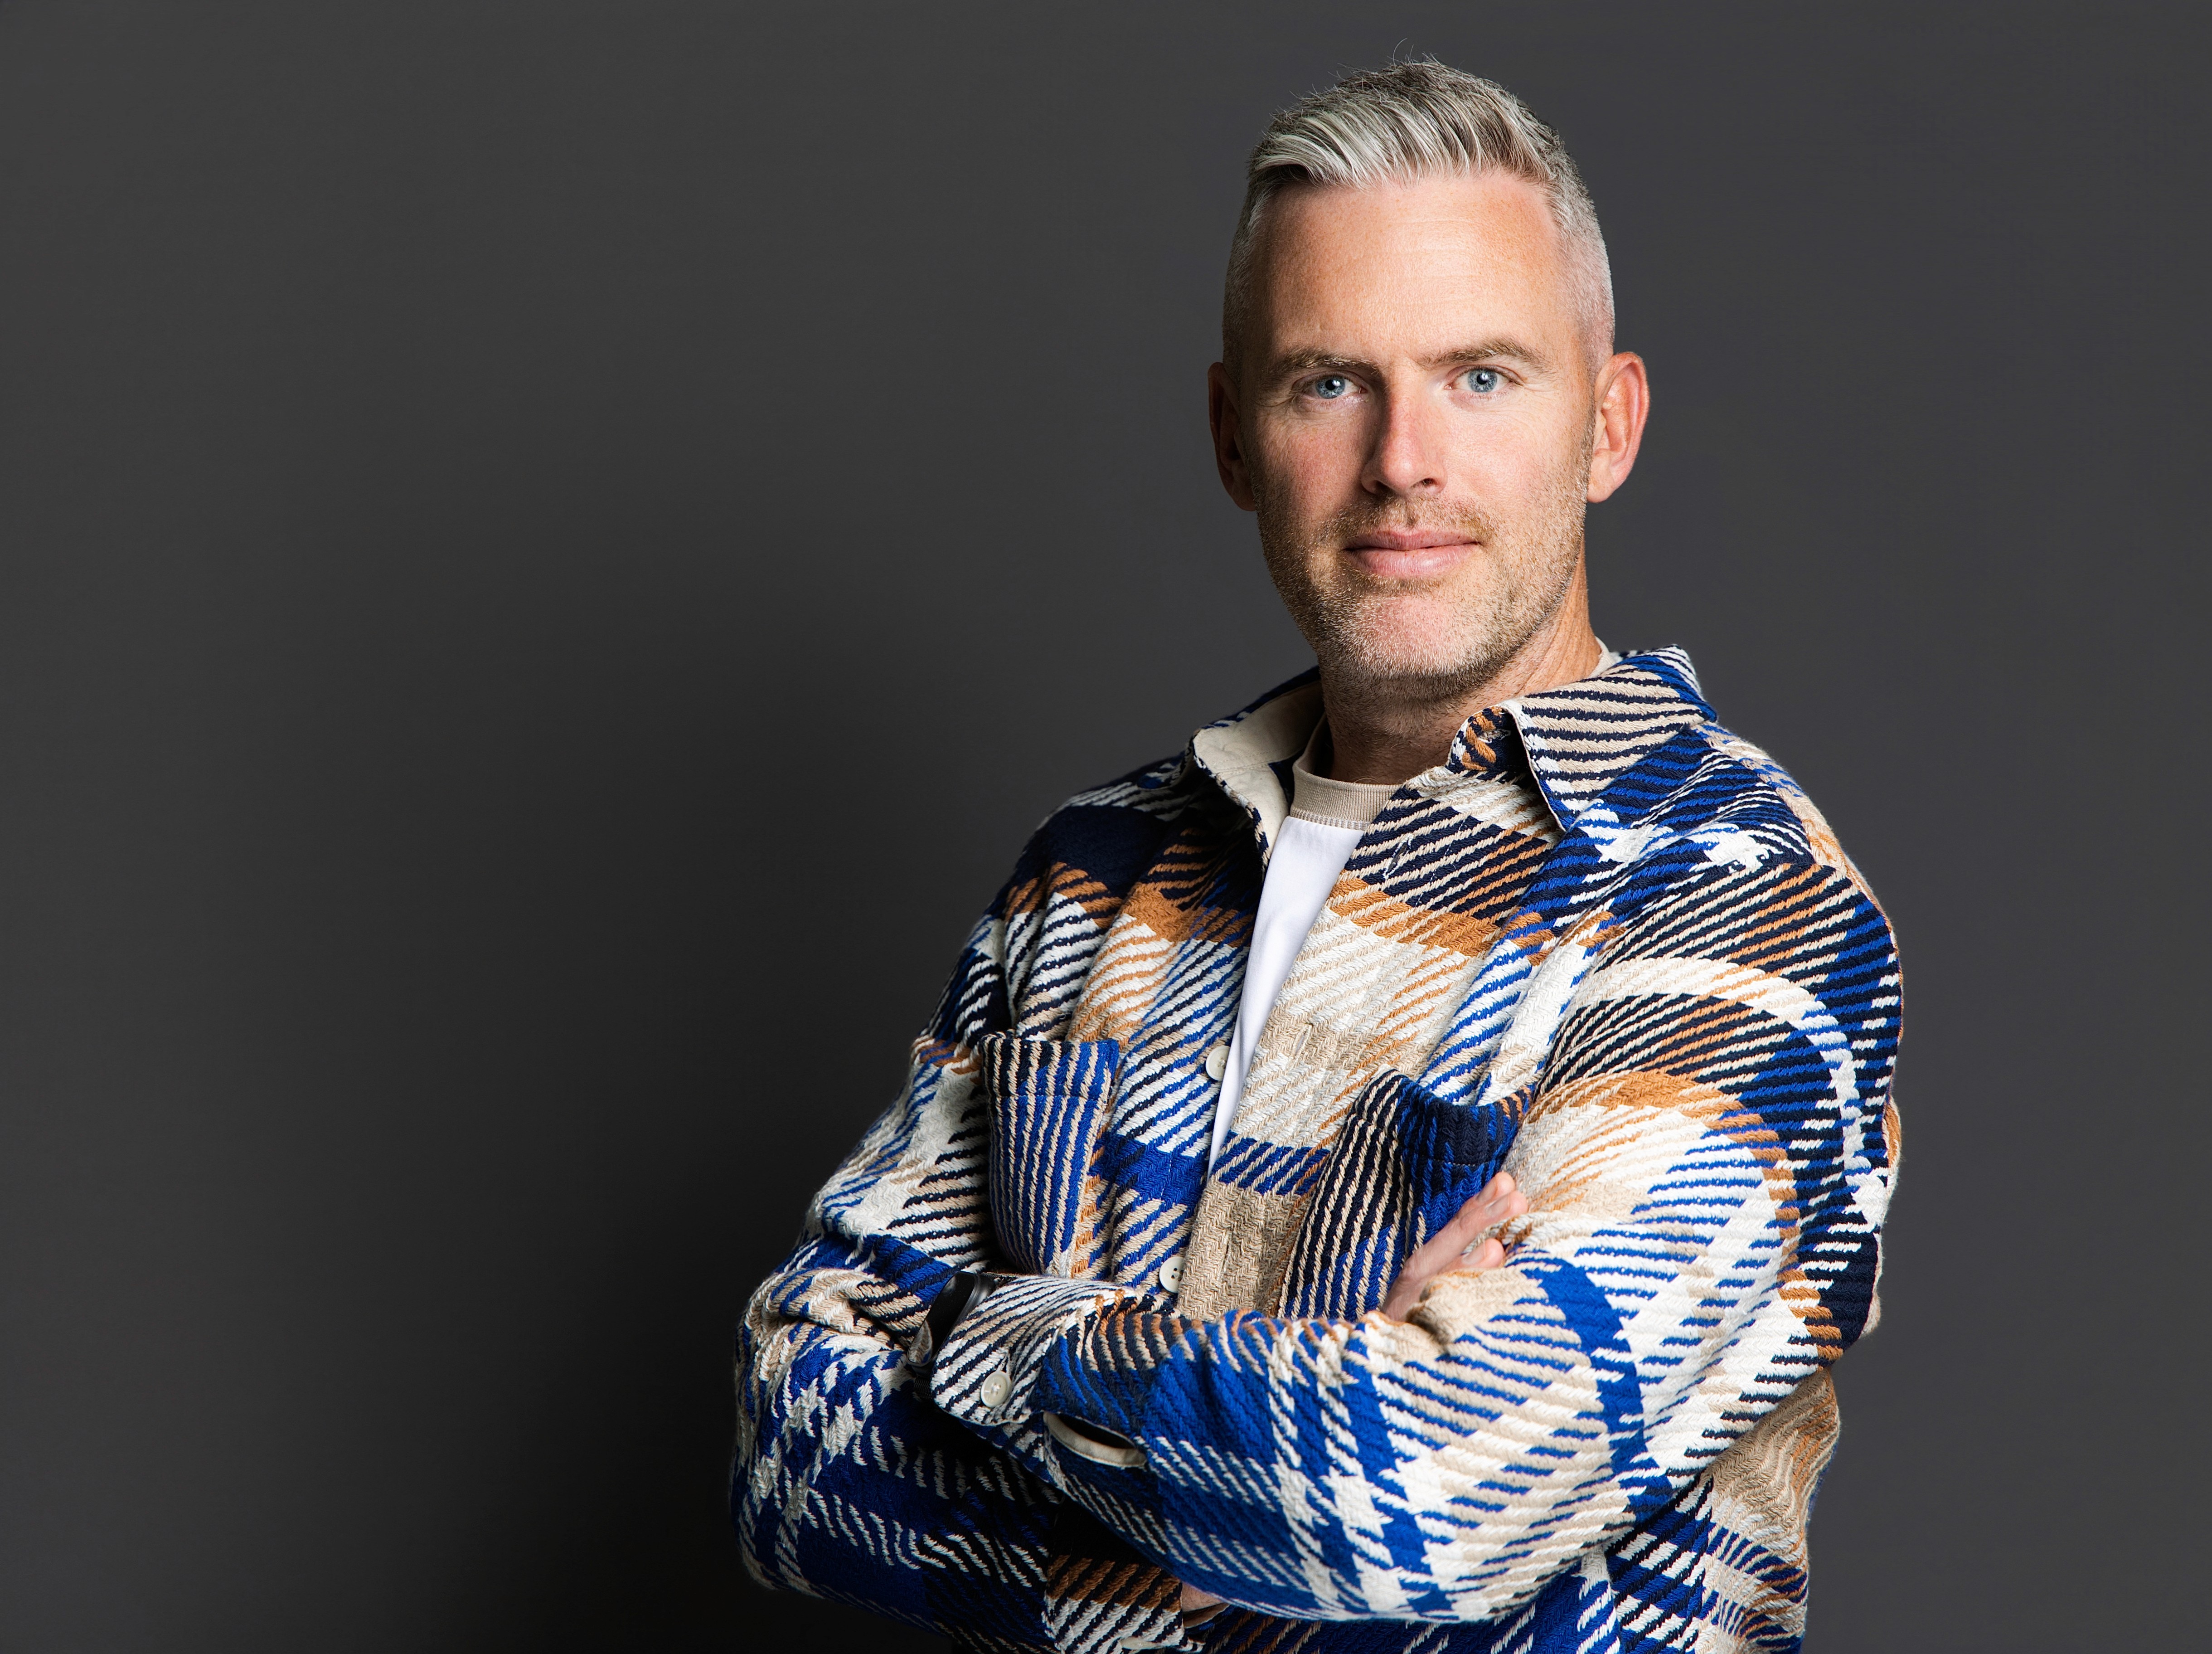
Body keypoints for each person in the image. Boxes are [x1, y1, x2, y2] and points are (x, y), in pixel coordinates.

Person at [733, 59, 1902, 1654]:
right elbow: (790, 1451)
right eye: (1329, 383)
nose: (1405, 459)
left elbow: (1406, 1499)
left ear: (1608, 425)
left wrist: (1002, 1347)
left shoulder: (1740, 905)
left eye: (1483, 378)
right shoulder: (1092, 875)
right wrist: (1260, 1446)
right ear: (1233, 433)